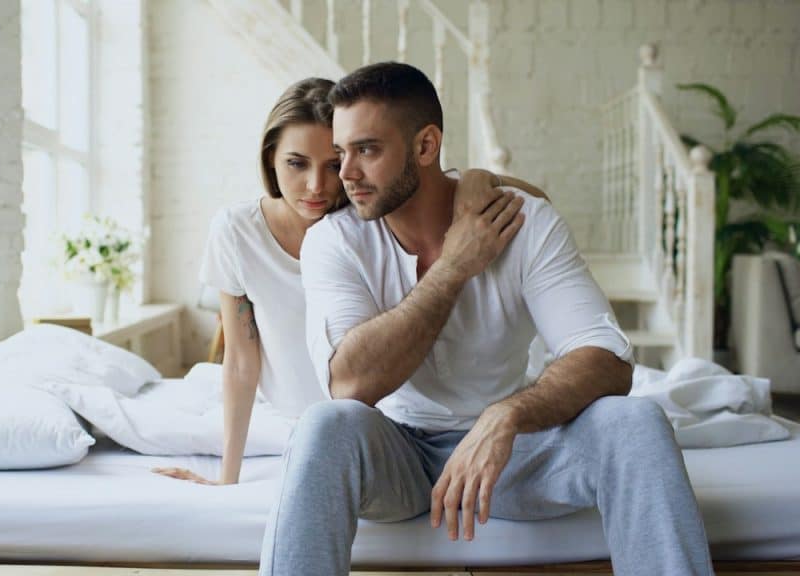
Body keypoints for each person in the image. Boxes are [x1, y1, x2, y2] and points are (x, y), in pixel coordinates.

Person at [258, 62, 714, 575]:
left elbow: (608, 359)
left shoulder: (524, 222)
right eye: (343, 152)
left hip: (514, 456)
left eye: (367, 150)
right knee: (325, 424)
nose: (345, 174)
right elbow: (349, 384)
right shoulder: (335, 240)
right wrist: (454, 267)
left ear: (426, 146)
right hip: (400, 456)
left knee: (636, 420)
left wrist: (506, 416)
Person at [154, 77, 547, 486]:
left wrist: (476, 179)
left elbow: (536, 201)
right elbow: (239, 361)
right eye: (296, 163)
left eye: (332, 164)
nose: (316, 186)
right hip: (297, 417)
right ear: (270, 157)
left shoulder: (372, 220)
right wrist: (227, 478)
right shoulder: (237, 231)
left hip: (381, 419)